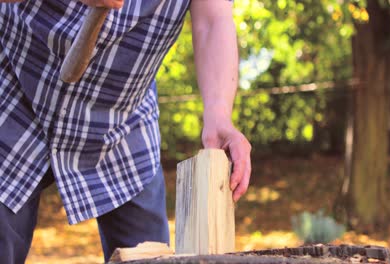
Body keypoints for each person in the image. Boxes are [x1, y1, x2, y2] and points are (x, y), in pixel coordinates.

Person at [0, 0, 251, 263]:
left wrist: (219, 115)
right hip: (14, 97)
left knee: (149, 256)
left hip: (121, 123)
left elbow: (213, 21)